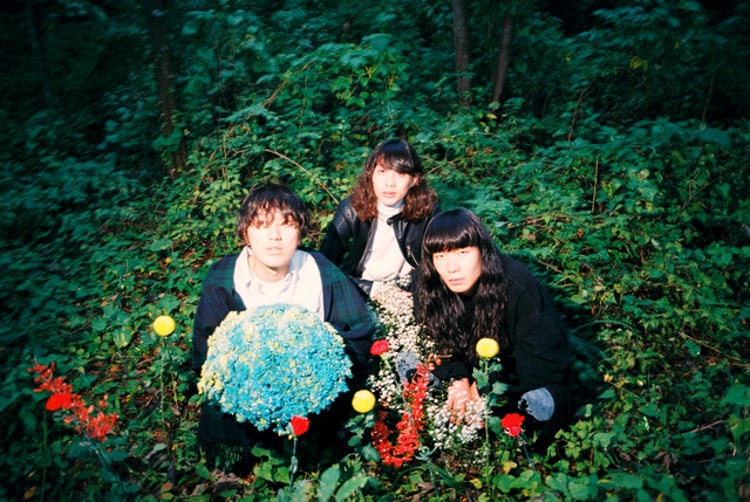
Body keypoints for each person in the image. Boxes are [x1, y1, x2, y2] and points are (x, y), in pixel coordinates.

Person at [192, 182, 374, 471]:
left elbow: (359, 329)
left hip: (313, 402)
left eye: (286, 225)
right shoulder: (224, 278)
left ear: (300, 232)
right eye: (262, 225)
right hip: (247, 404)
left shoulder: (319, 270)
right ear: (245, 233)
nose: (275, 237)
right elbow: (205, 351)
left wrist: (319, 364)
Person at [414, 208, 573, 449]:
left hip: (516, 374)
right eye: (440, 256)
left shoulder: (518, 285)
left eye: (463, 252)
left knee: (539, 403)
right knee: (412, 364)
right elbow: (434, 338)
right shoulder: (427, 283)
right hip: (468, 367)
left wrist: (488, 386)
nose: (451, 267)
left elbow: (544, 362)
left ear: (483, 251)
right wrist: (457, 377)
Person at [320, 138, 439, 296]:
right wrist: (370, 289)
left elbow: (436, 264)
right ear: (371, 175)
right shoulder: (350, 210)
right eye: (382, 172)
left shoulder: (427, 210)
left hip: (409, 289)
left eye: (400, 174)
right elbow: (324, 265)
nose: (389, 183)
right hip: (362, 287)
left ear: (414, 180)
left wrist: (413, 290)